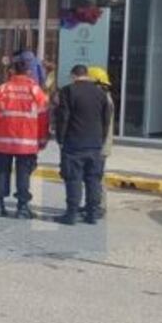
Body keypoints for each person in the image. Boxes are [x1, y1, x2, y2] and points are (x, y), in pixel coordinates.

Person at [0, 58, 49, 218]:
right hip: (26, 142)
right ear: (29, 72)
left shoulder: (2, 90)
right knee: (23, 174)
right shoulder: (35, 91)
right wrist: (42, 140)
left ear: (12, 71)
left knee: (0, 172)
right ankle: (22, 208)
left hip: (3, 140)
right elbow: (43, 117)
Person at [55, 64, 112, 225]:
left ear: (74, 76)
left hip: (74, 143)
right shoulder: (100, 93)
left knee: (73, 179)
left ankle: (71, 213)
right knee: (93, 179)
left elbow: (63, 117)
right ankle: (92, 213)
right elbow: (106, 120)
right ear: (87, 75)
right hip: (94, 144)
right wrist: (100, 139)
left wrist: (60, 139)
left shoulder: (68, 91)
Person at [87, 66, 114, 218]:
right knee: (94, 175)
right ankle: (92, 204)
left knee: (97, 176)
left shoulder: (104, 100)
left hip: (101, 145)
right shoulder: (104, 97)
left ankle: (99, 206)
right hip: (101, 143)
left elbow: (104, 124)